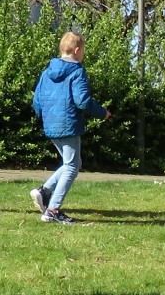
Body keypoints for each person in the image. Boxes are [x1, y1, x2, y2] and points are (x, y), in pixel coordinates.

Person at [29, 30, 110, 224]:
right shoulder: (77, 71)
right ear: (77, 50)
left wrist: (46, 117)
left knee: (71, 163)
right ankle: (53, 210)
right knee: (72, 167)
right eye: (83, 51)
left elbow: (37, 100)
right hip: (68, 124)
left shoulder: (47, 71)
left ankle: (44, 191)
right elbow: (82, 101)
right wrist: (102, 112)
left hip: (51, 124)